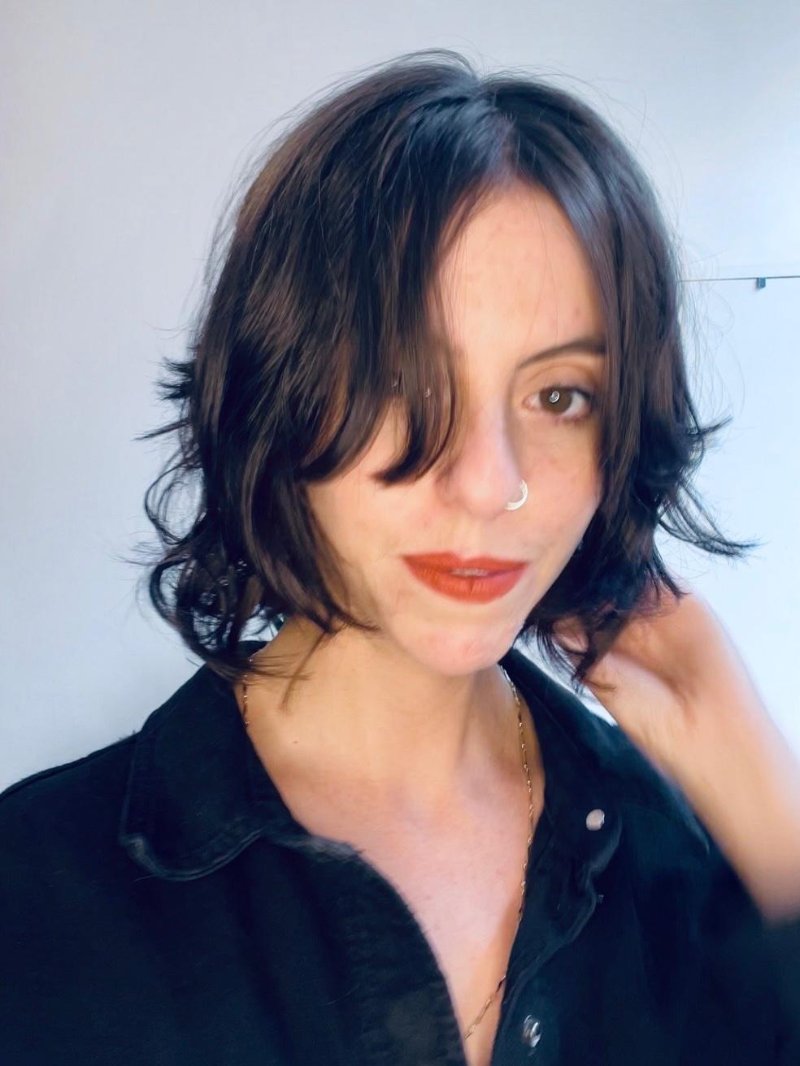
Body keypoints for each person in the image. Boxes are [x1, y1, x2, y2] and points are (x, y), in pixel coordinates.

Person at [1, 49, 799, 1066]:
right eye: (400, 380)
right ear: (279, 395)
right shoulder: (37, 897)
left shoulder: (694, 866)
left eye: (558, 397)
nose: (487, 484)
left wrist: (764, 806)